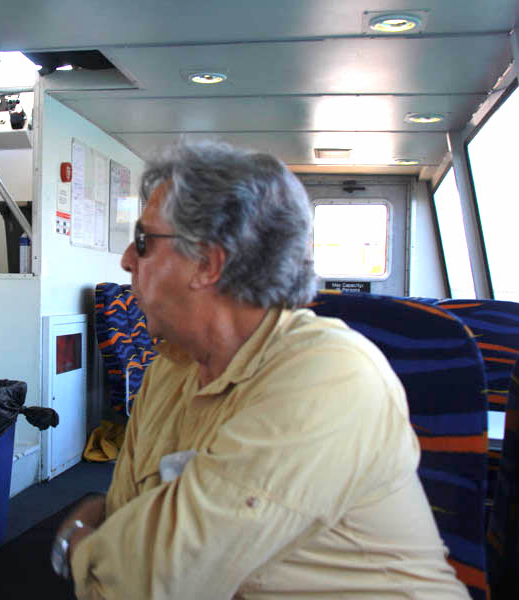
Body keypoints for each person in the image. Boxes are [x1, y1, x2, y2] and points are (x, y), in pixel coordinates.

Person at [51, 142, 469, 599]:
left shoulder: (329, 376)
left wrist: (76, 543)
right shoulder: (169, 370)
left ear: (207, 264)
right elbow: (124, 525)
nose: (128, 259)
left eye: (145, 240)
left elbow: (145, 582)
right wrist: (107, 547)